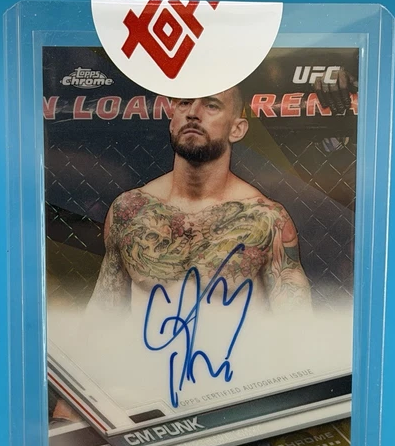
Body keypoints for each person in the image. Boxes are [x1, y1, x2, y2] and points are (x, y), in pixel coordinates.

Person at [87, 86, 311, 315]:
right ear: (172, 121)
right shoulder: (130, 211)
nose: (193, 113)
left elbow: (296, 327)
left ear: (237, 129)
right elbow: (102, 319)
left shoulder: (266, 220)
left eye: (211, 105)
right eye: (184, 103)